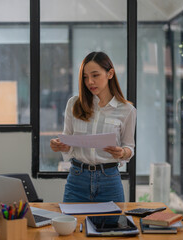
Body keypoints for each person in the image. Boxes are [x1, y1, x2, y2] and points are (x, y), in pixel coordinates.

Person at [50, 51, 136, 203]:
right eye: (85, 77)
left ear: (110, 74)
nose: (89, 82)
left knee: (111, 226)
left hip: (109, 180)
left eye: (95, 75)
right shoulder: (73, 104)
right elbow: (68, 141)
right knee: (74, 226)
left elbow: (129, 147)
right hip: (77, 179)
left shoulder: (127, 110)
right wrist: (60, 145)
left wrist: (122, 152)